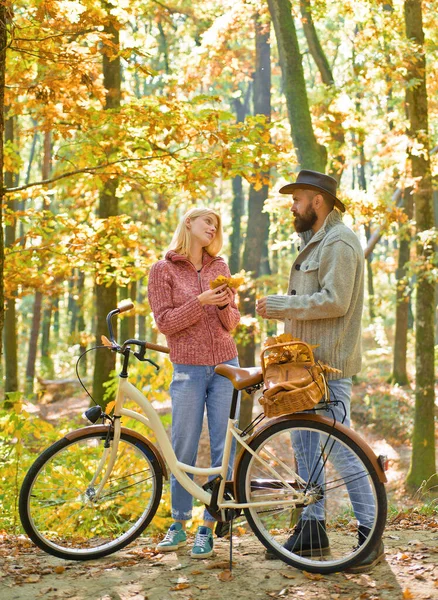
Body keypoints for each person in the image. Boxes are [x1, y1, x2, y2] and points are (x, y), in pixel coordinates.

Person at [256, 170, 385, 573]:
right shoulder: (316, 240)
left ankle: (370, 537)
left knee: (344, 451)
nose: (292, 205)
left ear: (318, 200)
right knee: (306, 450)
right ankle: (313, 530)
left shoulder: (340, 241)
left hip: (328, 367)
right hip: (302, 368)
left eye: (298, 197)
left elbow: (335, 301)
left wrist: (280, 306)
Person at [148, 207, 240, 559]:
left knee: (223, 449)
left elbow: (232, 322)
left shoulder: (220, 267)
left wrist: (221, 306)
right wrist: (200, 302)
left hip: (225, 367)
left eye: (217, 223)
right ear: (188, 222)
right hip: (187, 368)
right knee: (182, 447)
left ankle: (209, 526)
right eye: (208, 220)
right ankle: (179, 523)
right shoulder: (162, 270)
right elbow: (166, 322)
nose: (213, 226)